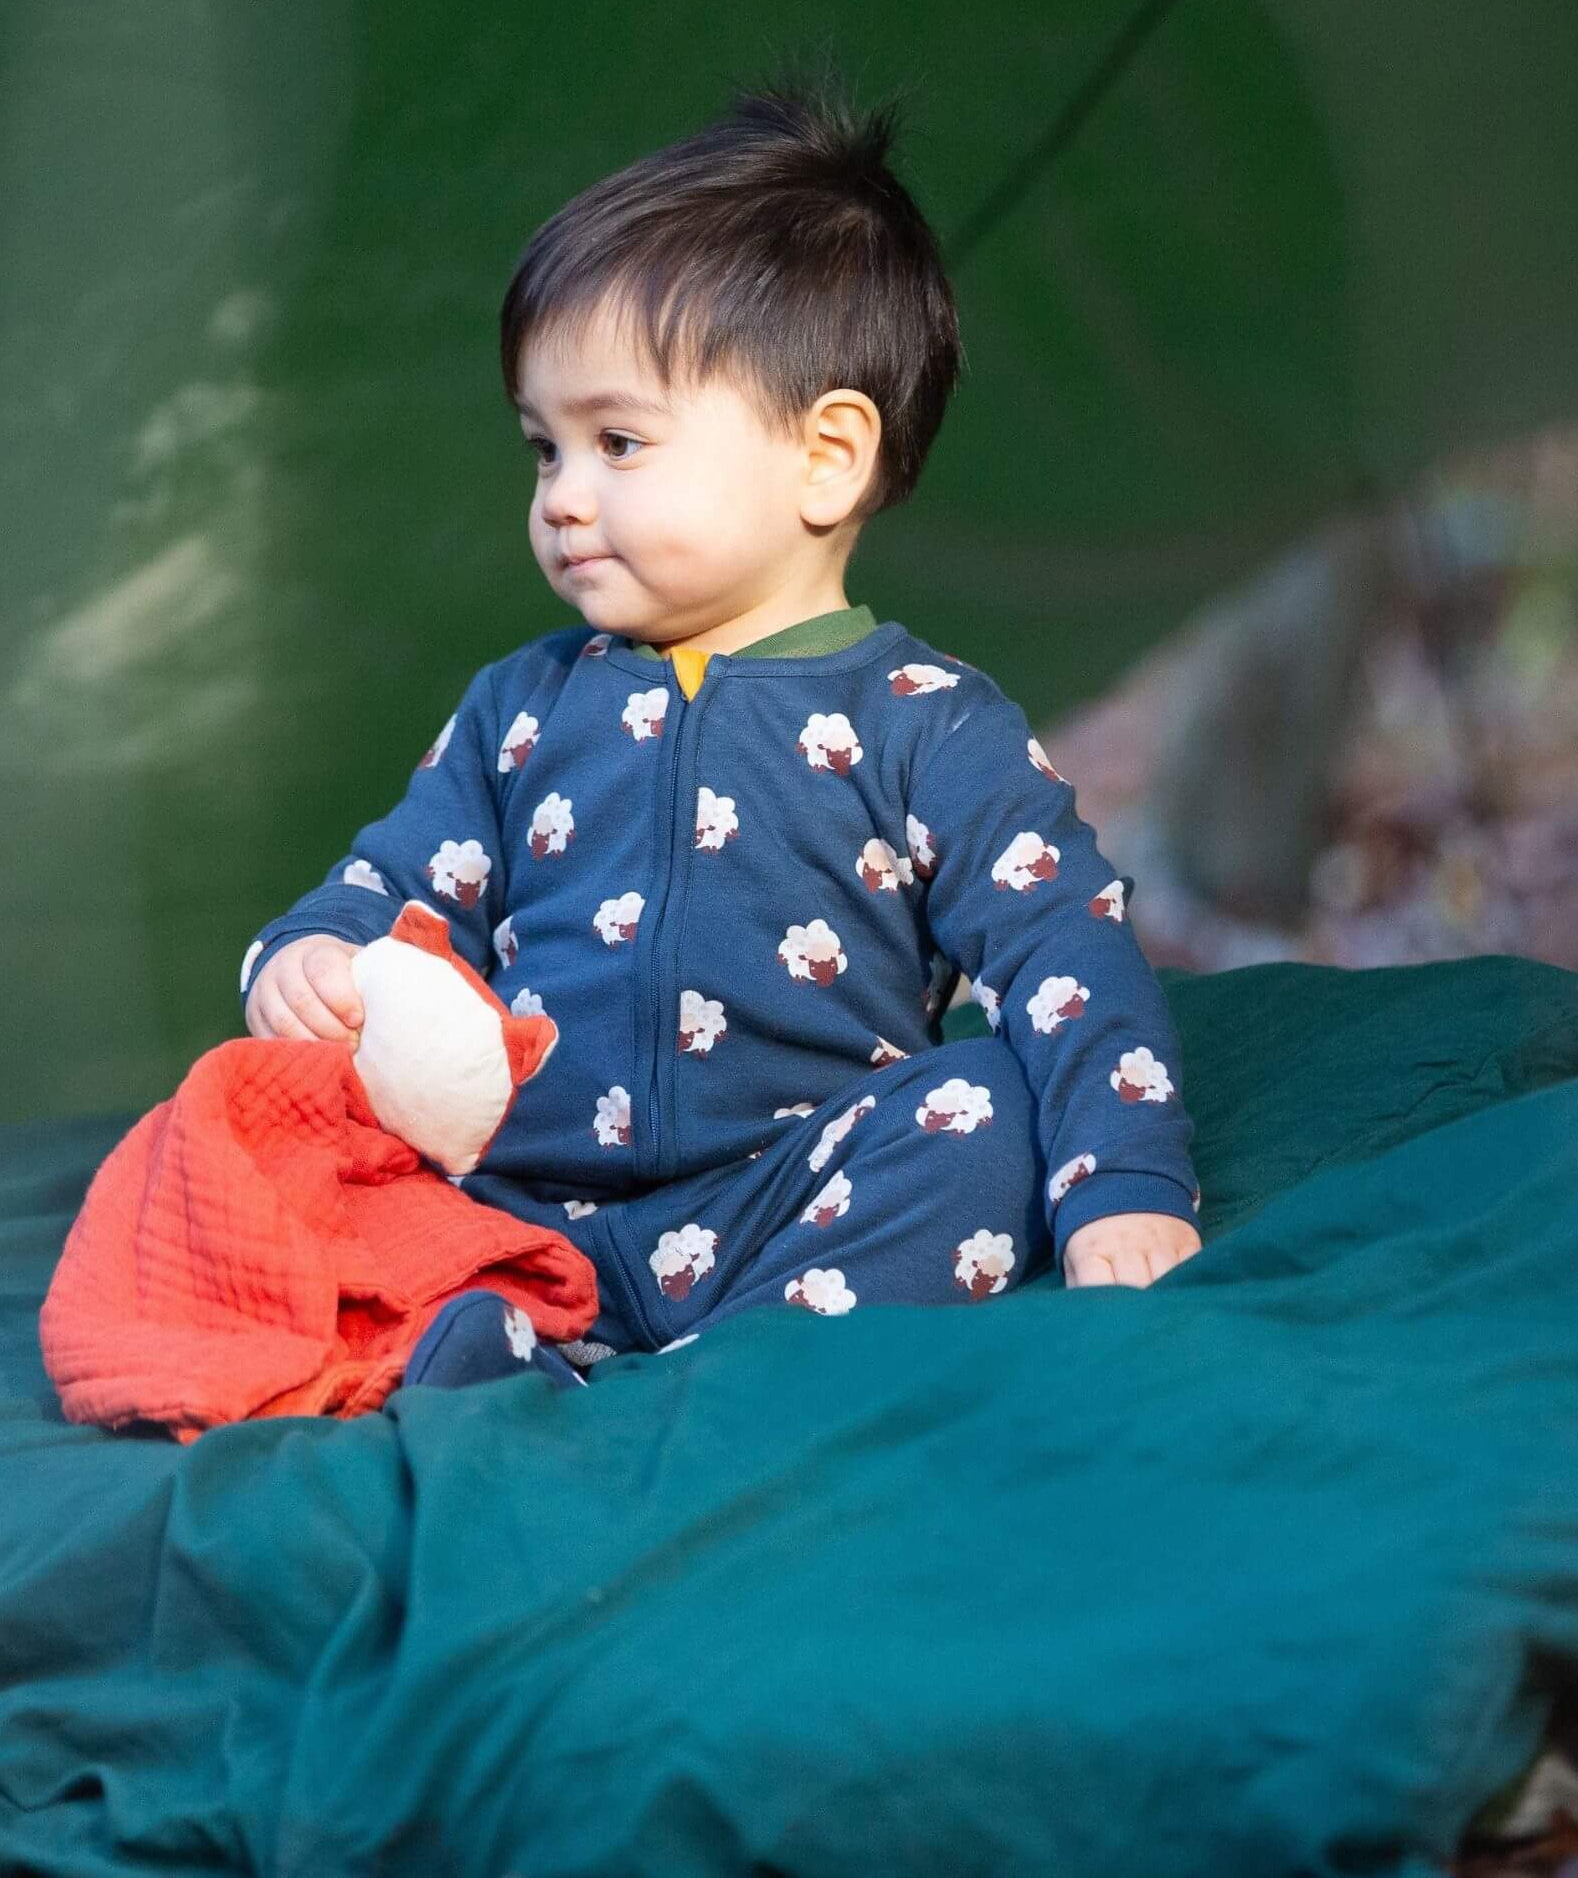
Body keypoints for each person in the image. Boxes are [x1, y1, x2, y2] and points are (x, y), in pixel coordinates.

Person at [239, 74, 1203, 1392]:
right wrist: (309, 955)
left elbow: (1064, 954)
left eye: (617, 441)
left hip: (787, 1202)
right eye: (542, 449)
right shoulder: (521, 708)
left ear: (825, 457)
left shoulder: (931, 725)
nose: (562, 497)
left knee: (986, 1120)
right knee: (282, 1156)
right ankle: (506, 1347)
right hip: (517, 1212)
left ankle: (740, 1369)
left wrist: (1124, 1184)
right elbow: (394, 886)